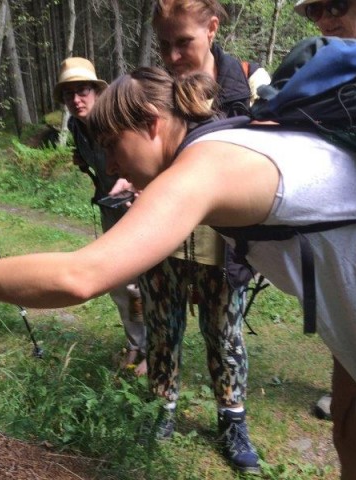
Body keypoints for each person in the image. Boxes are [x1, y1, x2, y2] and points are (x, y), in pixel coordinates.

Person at [0, 66, 356, 480]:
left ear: (153, 123)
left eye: (113, 146)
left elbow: (80, 275)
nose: (111, 165)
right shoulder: (230, 141)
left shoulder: (207, 166)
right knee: (352, 443)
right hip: (355, 327)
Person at [137, 0, 269, 473]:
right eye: (165, 45)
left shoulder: (249, 84)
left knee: (224, 332)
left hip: (223, 238)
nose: (173, 56)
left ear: (212, 29)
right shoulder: (155, 89)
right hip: (164, 231)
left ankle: (232, 421)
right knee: (161, 325)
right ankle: (162, 410)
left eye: (184, 43)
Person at [294, 0, 356, 422]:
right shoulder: (335, 78)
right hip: (355, 263)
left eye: (338, 6)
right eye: (316, 12)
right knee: (349, 428)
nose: (325, 21)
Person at [53, 57, 147, 375]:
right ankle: (136, 344)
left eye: (83, 91)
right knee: (118, 282)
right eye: (69, 95)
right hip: (110, 210)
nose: (76, 100)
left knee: (146, 282)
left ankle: (155, 351)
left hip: (141, 209)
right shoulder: (75, 126)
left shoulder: (119, 120)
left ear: (96, 91)